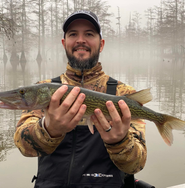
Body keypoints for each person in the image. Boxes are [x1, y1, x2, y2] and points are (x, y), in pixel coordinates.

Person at [14, 10, 147, 188]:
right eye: (73, 34)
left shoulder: (123, 94)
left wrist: (119, 142)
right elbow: (24, 147)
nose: (80, 40)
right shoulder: (43, 89)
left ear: (101, 44)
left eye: (89, 34)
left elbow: (137, 164)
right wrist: (49, 129)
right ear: (64, 43)